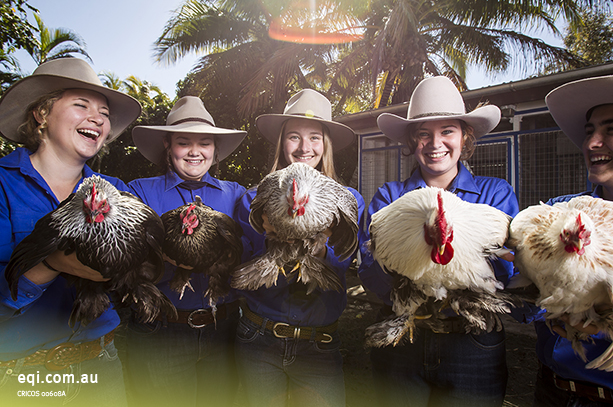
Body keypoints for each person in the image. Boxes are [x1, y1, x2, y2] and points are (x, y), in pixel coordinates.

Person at [358, 76, 521, 407]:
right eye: (423, 133)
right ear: (412, 141)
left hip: (472, 342)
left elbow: (505, 271)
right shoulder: (390, 197)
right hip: (404, 340)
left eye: (447, 131)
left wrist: (416, 266)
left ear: (464, 136)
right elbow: (371, 272)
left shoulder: (495, 193)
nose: (436, 143)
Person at [0, 58, 141, 406]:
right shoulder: (3, 183)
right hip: (24, 374)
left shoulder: (119, 191)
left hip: (101, 361)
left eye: (104, 113)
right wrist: (51, 263)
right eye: (81, 105)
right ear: (42, 114)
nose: (97, 118)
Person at [234, 88, 365, 407]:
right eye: (294, 136)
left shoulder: (349, 200)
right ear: (281, 142)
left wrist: (317, 247)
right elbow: (242, 267)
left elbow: (341, 263)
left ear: (326, 145)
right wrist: (270, 236)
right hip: (259, 337)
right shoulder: (252, 198)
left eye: (315, 137)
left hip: (318, 345)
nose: (305, 147)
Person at [125, 96, 247, 407]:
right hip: (162, 328)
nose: (195, 151)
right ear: (168, 146)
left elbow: (250, 253)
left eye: (204, 142)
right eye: (183, 142)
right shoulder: (139, 191)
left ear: (215, 150)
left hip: (224, 328)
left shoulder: (237, 195)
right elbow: (127, 256)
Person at [529, 75, 613, 407]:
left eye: (610, 130)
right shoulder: (559, 211)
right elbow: (530, 299)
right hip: (553, 391)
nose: (593, 142)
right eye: (590, 131)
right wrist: (550, 310)